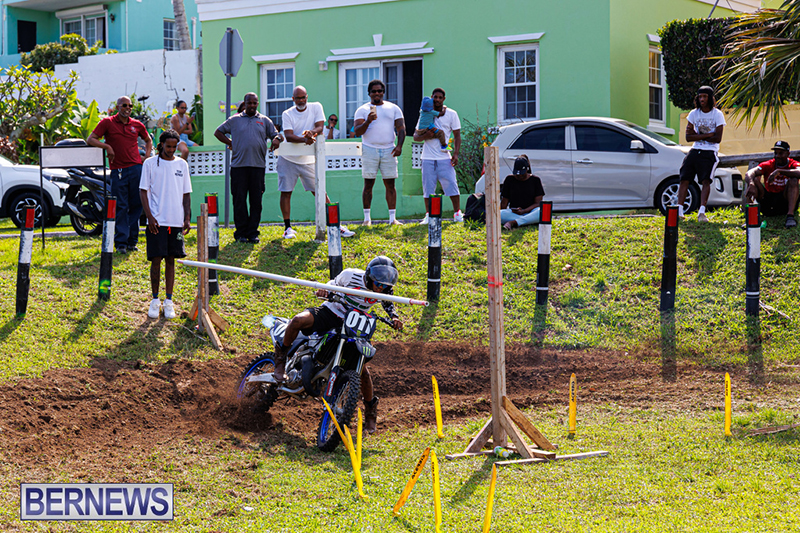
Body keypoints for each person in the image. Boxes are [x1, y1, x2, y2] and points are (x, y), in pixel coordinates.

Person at [273, 256, 403, 433]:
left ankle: (371, 411)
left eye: (386, 284)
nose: (381, 287)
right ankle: (280, 359)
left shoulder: (384, 290)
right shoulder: (350, 275)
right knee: (297, 320)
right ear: (369, 275)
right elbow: (331, 284)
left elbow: (388, 303)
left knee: (362, 371)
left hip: (354, 324)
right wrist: (325, 291)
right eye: (379, 282)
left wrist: (394, 317)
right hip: (332, 312)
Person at [278, 86, 354, 239]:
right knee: (286, 192)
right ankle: (287, 228)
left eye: (303, 97)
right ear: (293, 99)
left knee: (320, 192)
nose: (301, 100)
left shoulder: (316, 106)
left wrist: (311, 133)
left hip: (307, 159)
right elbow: (289, 136)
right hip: (288, 159)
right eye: (298, 98)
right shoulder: (287, 114)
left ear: (307, 96)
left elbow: (320, 127)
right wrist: (304, 139)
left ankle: (336, 225)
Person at [87, 95, 152, 254]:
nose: (128, 108)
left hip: (136, 168)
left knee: (136, 205)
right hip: (118, 170)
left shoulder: (136, 124)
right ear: (118, 107)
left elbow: (148, 140)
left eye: (130, 106)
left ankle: (132, 242)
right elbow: (91, 139)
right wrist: (107, 147)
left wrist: (146, 156)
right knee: (121, 206)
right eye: (124, 105)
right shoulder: (107, 123)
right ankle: (121, 243)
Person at [214, 92, 282, 244]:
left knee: (256, 201)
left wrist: (276, 140)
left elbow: (276, 135)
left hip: (257, 167)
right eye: (249, 103)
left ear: (257, 103)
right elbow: (218, 132)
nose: (252, 105)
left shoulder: (264, 120)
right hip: (238, 167)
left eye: (254, 103)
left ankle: (253, 233)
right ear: (244, 103)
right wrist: (230, 142)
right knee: (239, 201)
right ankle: (241, 233)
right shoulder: (234, 120)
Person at [139, 129, 192, 319]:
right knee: (156, 260)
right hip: (157, 222)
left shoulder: (182, 164)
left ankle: (168, 301)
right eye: (168, 146)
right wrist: (150, 217)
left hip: (176, 222)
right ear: (161, 145)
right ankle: (155, 300)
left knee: (171, 260)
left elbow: (186, 193)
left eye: (174, 147)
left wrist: (187, 217)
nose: (171, 150)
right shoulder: (150, 164)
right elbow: (143, 191)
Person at [354, 79, 406, 226]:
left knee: (390, 184)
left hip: (389, 149)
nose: (377, 93)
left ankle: (392, 219)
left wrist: (399, 146)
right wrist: (368, 121)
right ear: (369, 93)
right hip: (369, 148)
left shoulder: (393, 108)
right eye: (374, 91)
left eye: (379, 91)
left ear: (383, 92)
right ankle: (367, 219)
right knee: (368, 184)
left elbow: (401, 128)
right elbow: (357, 131)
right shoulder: (362, 110)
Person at [413, 88, 463, 224]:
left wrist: (456, 154)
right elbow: (416, 136)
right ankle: (429, 215)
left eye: (440, 98)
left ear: (444, 99)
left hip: (444, 157)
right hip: (427, 157)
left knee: (452, 184)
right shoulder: (425, 113)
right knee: (428, 188)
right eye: (435, 97)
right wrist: (426, 136)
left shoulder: (452, 114)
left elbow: (457, 136)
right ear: (432, 97)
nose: (438, 100)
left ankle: (457, 213)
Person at [676, 85, 726, 222]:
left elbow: (718, 138)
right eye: (700, 96)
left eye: (705, 96)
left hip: (710, 152)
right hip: (695, 149)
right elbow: (688, 137)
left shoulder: (717, 114)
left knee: (705, 180)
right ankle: (679, 210)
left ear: (710, 98)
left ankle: (702, 212)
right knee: (684, 178)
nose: (702, 99)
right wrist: (708, 134)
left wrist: (699, 135)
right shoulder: (694, 113)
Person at [743, 140, 800, 228]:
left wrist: (779, 171)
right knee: (753, 179)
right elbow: (750, 173)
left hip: (785, 201)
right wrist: (751, 184)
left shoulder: (793, 163)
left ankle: (790, 216)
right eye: (776, 153)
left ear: (788, 154)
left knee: (793, 180)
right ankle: (750, 218)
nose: (777, 156)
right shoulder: (769, 164)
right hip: (769, 203)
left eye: (781, 153)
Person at [500, 155, 545, 230]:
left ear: (527, 169)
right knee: (500, 214)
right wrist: (502, 212)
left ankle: (513, 222)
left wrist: (524, 211)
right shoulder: (509, 179)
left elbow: (538, 203)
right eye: (517, 174)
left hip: (531, 211)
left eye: (522, 173)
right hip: (514, 213)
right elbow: (504, 203)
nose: (519, 176)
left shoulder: (535, 180)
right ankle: (528, 220)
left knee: (541, 212)